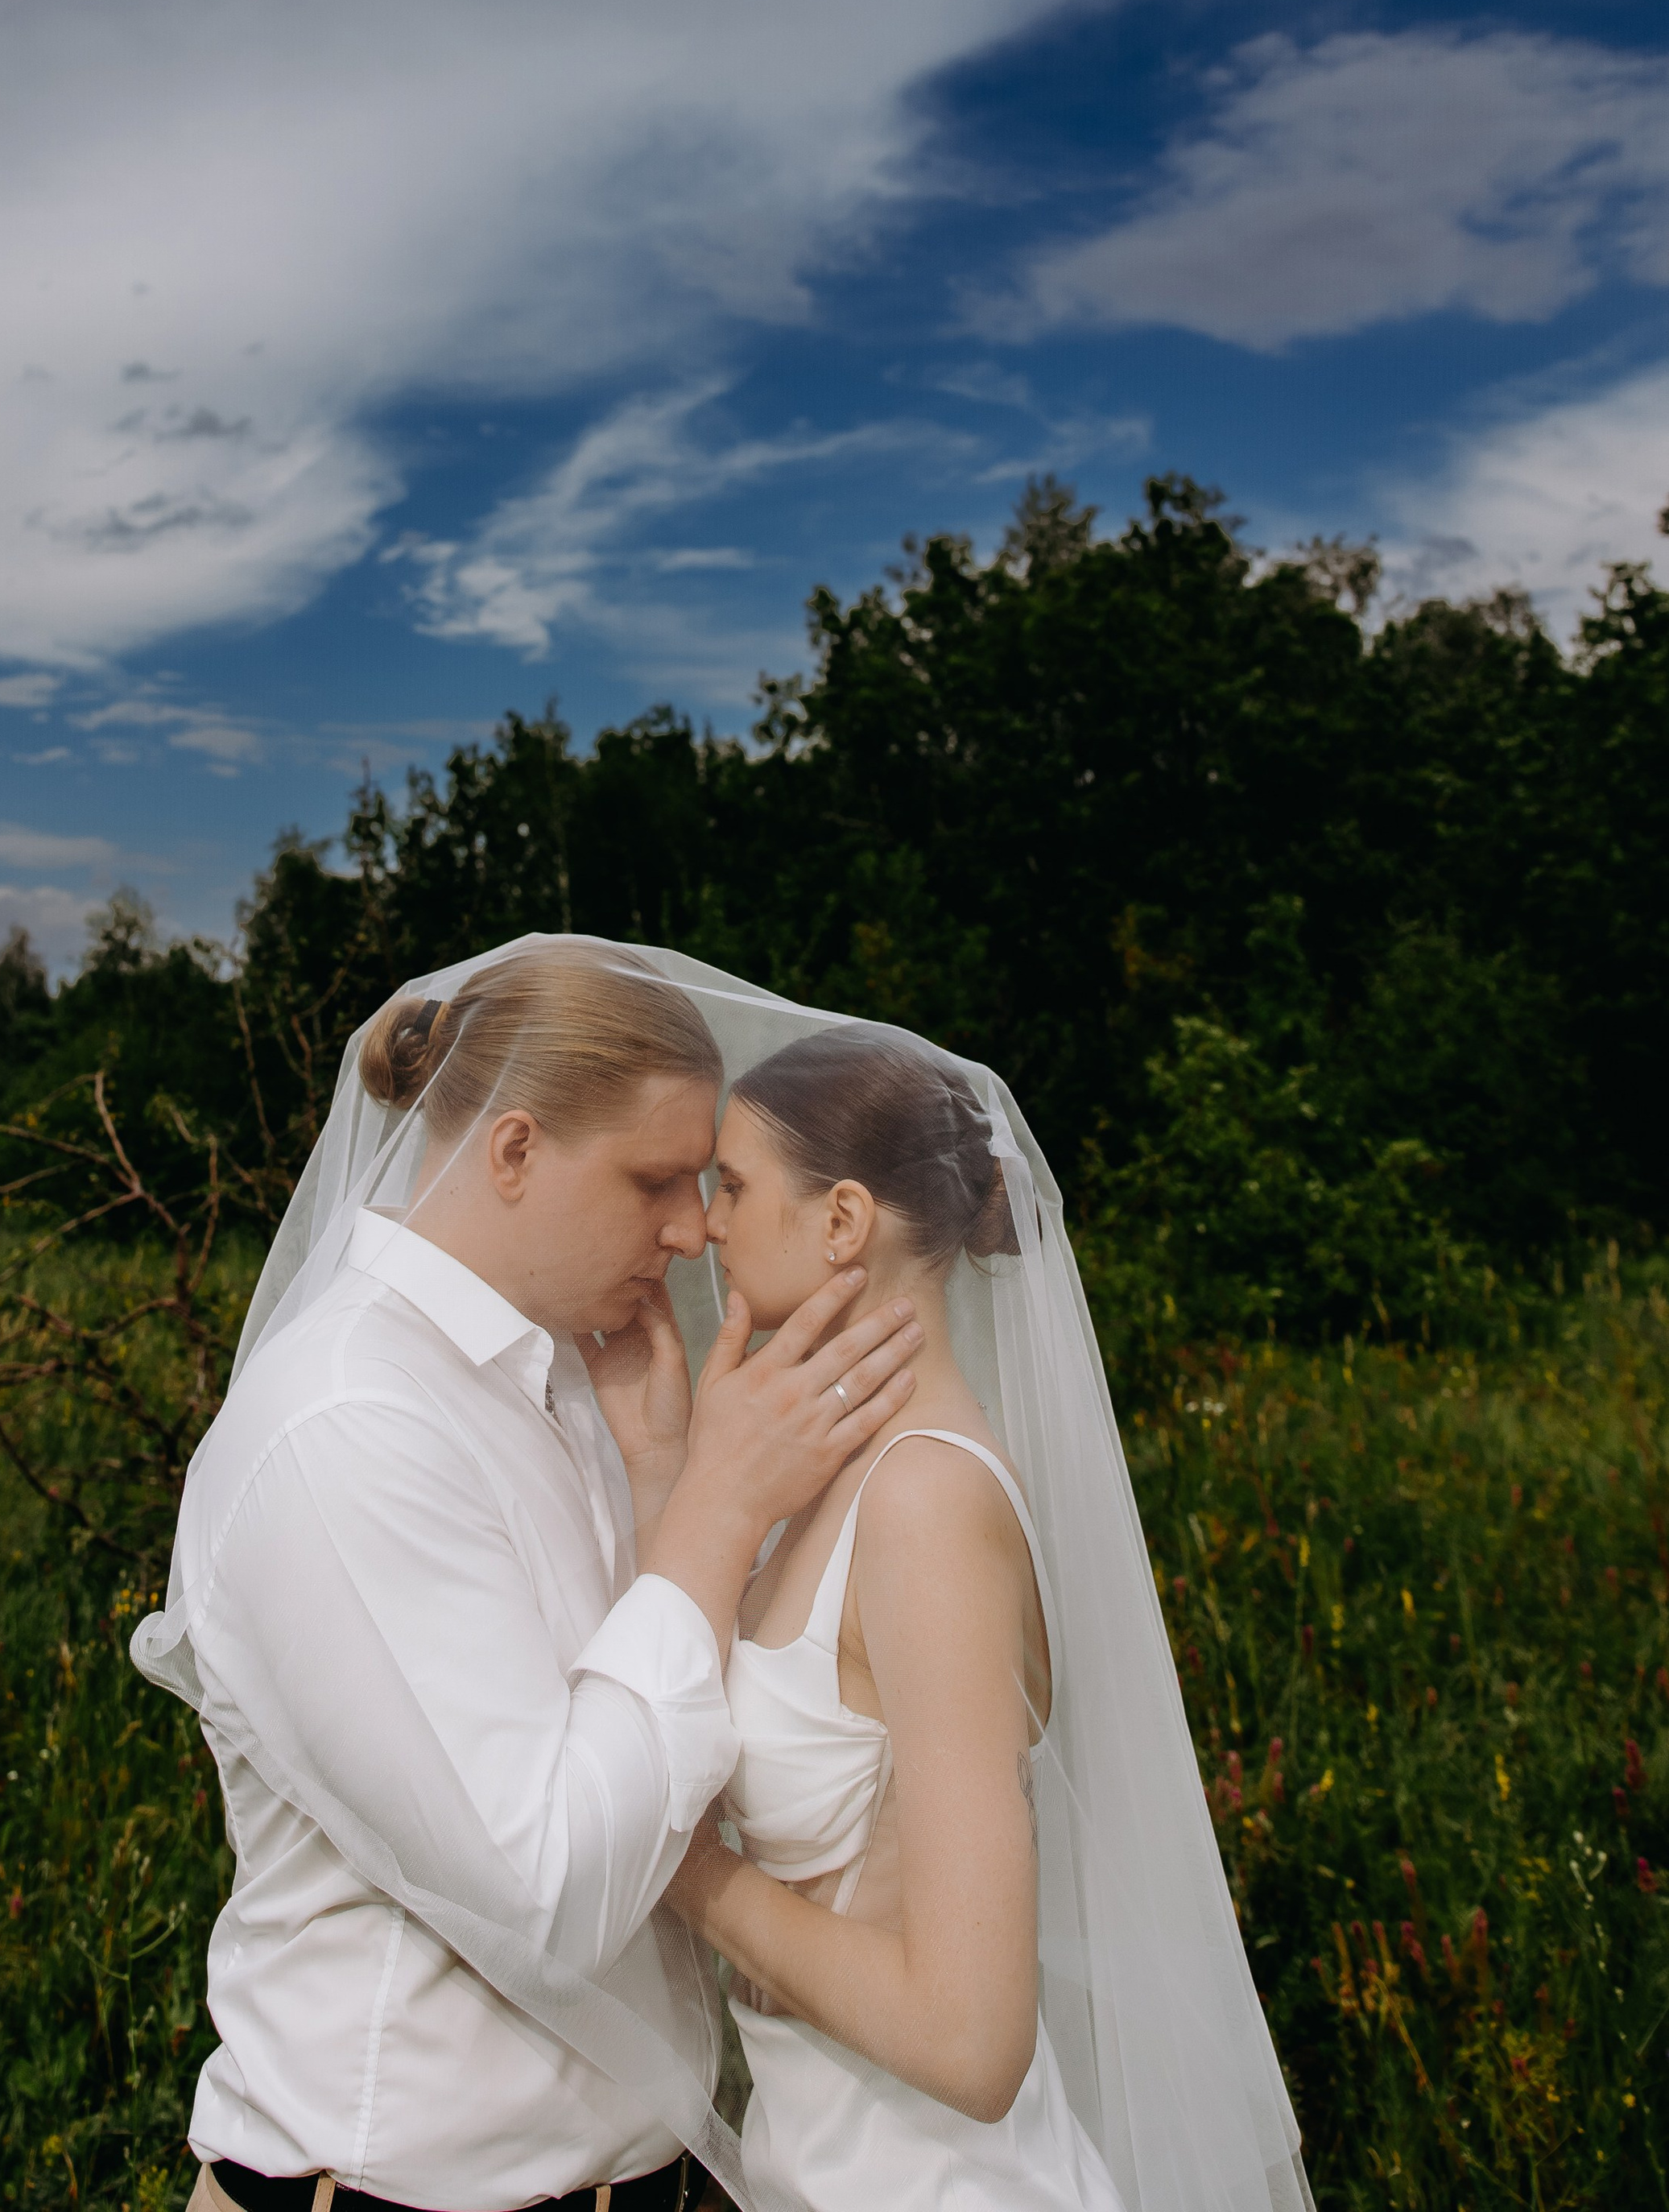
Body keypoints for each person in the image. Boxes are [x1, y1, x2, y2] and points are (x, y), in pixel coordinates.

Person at [130, 942, 924, 2212]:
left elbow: (658, 1751)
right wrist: (717, 1513)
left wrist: (667, 1479)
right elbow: (548, 1894)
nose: (692, 1229)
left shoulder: (563, 1376)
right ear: (512, 1153)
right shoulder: (347, 1424)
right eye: (655, 1180)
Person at [650, 1023, 1126, 2209]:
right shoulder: (839, 1485)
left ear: (845, 1223)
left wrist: (691, 1874)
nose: (708, 1223)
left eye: (736, 1186)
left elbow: (972, 2043)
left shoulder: (923, 1503)